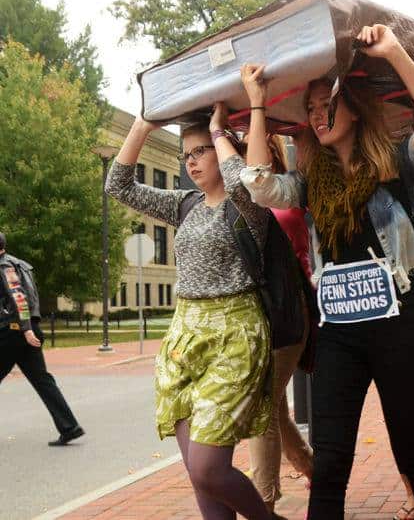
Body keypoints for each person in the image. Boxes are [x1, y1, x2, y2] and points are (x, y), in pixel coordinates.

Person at [239, 24, 414, 519]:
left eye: (326, 105)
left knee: (409, 449)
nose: (317, 116)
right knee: (332, 458)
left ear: (354, 107)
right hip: (340, 331)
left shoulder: (397, 163)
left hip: (403, 322)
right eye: (310, 110)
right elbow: (258, 184)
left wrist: (395, 52)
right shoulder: (309, 183)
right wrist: (257, 103)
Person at [106, 108, 276, 520]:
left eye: (202, 150)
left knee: (208, 467)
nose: (193, 161)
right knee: (198, 475)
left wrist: (219, 130)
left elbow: (244, 179)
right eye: (187, 155)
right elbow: (119, 186)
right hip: (185, 338)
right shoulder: (184, 204)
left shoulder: (247, 205)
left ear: (223, 150)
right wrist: (144, 126)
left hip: (234, 336)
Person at [246, 134, 314, 514]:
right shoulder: (237, 201)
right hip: (255, 316)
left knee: (263, 405)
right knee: (273, 406)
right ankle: (311, 467)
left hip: (288, 309)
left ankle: (263, 504)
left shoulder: (286, 196)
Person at [0, 231, 85, 446]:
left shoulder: (5, 266)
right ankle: (69, 426)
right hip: (27, 330)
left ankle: (69, 426)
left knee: (43, 380)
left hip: (15, 332)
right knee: (43, 381)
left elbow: (18, 297)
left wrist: (25, 329)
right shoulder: (22, 265)